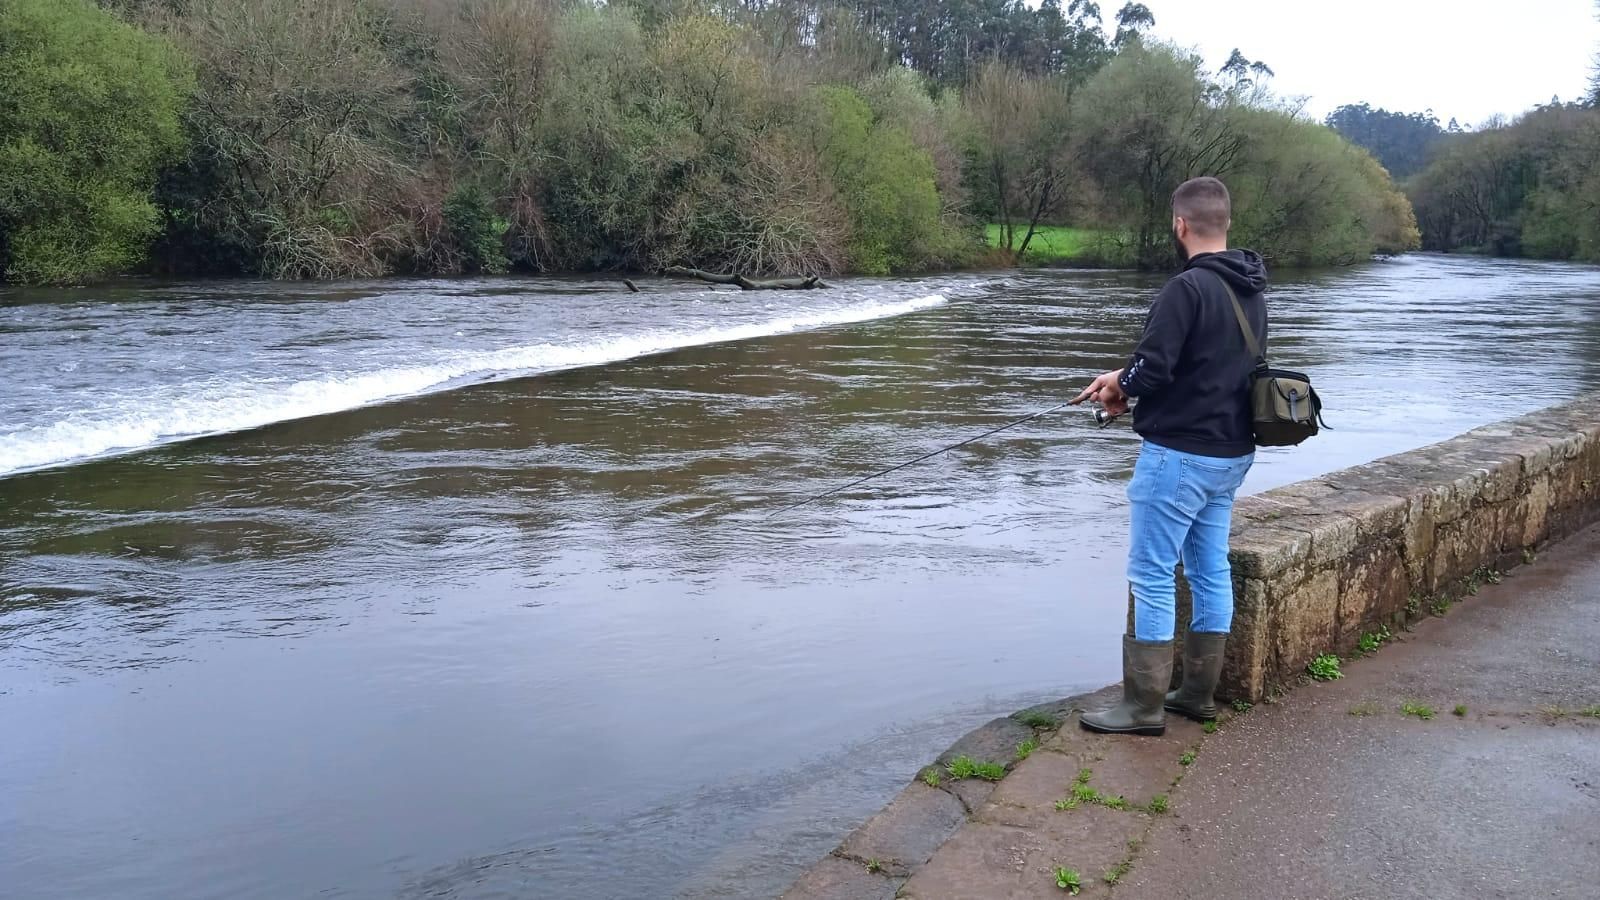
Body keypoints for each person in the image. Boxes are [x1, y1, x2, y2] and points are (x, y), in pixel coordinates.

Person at [1070, 176, 1268, 737]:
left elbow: (1153, 369)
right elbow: (1207, 371)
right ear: (1224, 224)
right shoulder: (1251, 288)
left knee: (1152, 573)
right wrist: (1122, 380)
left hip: (1179, 456)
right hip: (1230, 454)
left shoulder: (1187, 289)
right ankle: (1196, 695)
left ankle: (1143, 706)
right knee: (1208, 569)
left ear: (1180, 225)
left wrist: (1121, 385)